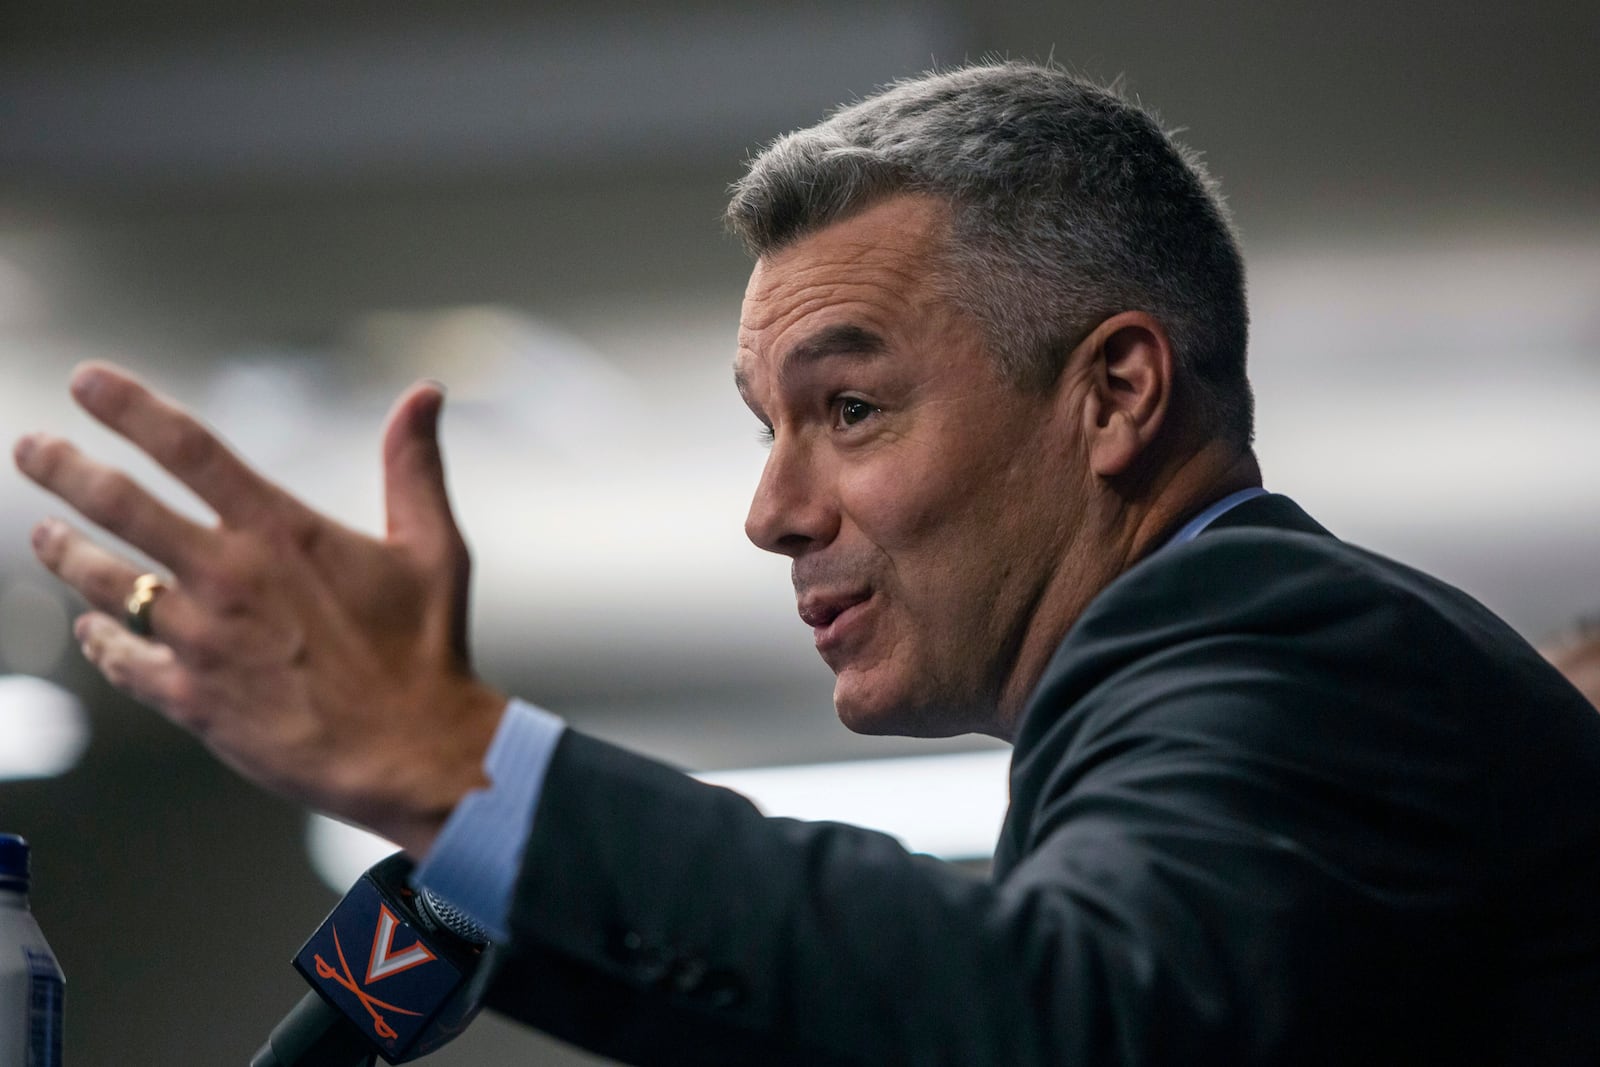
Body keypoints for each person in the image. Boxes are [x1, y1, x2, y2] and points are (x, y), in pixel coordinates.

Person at [13, 62, 1600, 1065]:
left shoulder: (1268, 634)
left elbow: (1069, 1018)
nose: (771, 511)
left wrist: (461, 768)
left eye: (849, 407)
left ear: (1115, 395)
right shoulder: (1217, 678)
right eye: (766, 426)